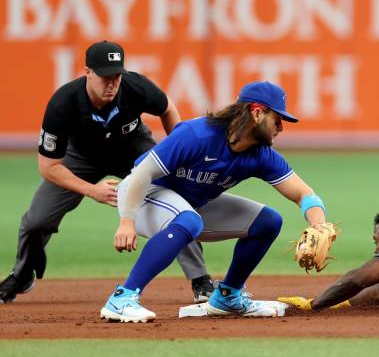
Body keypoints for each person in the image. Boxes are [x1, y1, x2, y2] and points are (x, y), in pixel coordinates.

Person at [99, 80, 332, 323]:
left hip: (189, 203)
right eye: (277, 119)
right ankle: (122, 298)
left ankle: (228, 296)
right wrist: (128, 220)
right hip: (143, 193)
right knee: (189, 220)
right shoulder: (197, 135)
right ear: (256, 113)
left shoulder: (261, 155)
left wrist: (318, 225)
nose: (281, 127)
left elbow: (304, 194)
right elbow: (142, 174)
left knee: (268, 221)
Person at [0, 41, 213, 305]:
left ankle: (200, 278)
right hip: (81, 157)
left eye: (116, 76)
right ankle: (21, 275)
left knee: (175, 199)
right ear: (87, 72)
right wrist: (92, 191)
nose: (112, 83)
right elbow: (48, 167)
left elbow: (167, 108)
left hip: (132, 147)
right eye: (105, 77)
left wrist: (175, 152)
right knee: (36, 222)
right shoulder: (63, 102)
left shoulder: (135, 86)